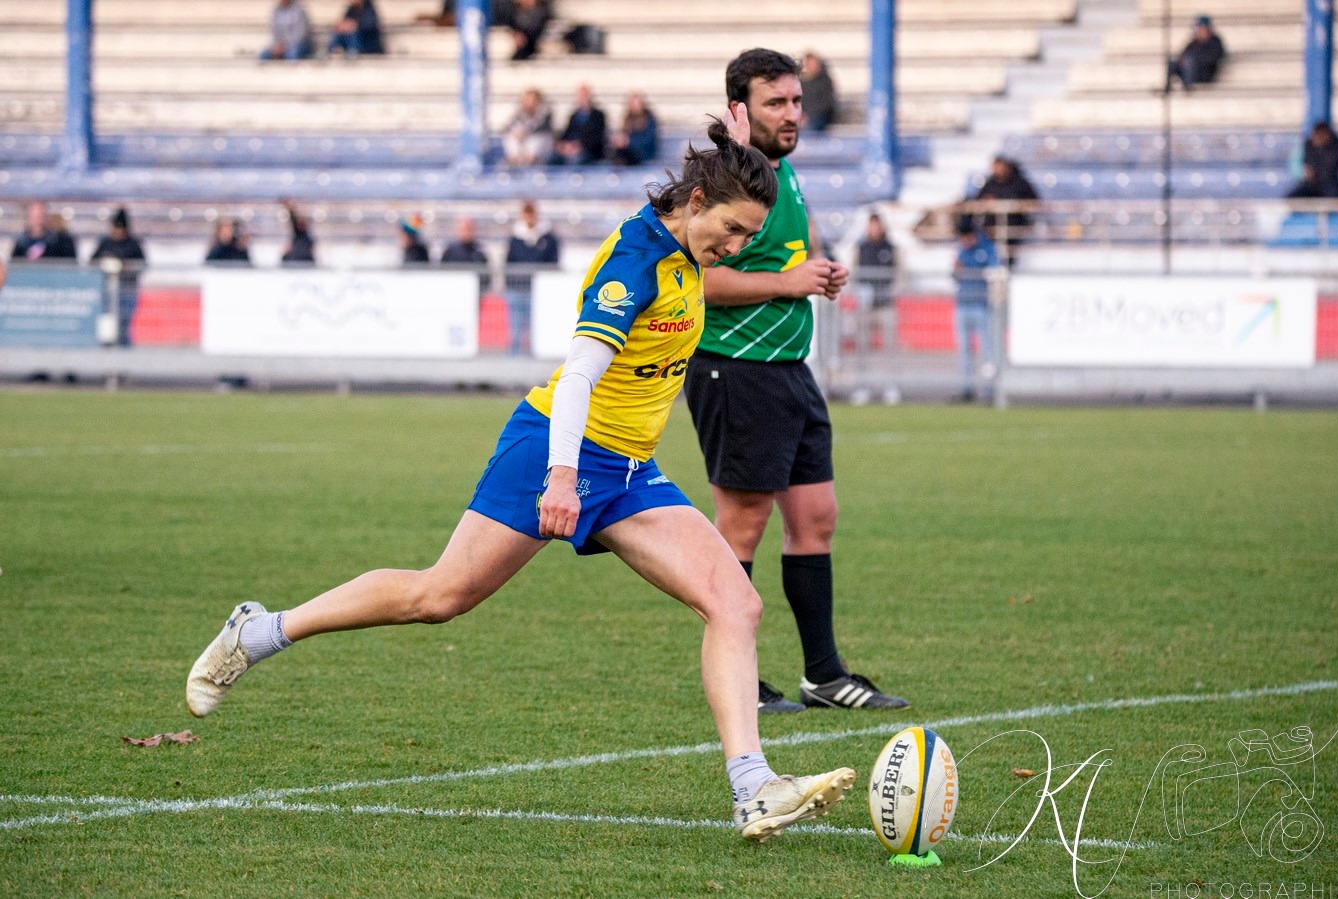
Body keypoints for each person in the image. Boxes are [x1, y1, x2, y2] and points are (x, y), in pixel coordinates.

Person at [185, 116, 856, 843]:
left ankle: (753, 787)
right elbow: (578, 379)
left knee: (736, 603)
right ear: (695, 201)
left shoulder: (691, 230)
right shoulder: (635, 262)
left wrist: (742, 147)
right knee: (438, 595)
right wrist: (562, 477)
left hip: (630, 470)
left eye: (748, 238)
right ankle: (261, 631)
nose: (736, 248)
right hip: (555, 449)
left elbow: (726, 185)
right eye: (730, 230)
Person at [684, 48, 909, 714]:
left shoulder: (782, 172)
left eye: (796, 101)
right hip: (737, 368)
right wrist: (790, 282)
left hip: (789, 367)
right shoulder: (725, 180)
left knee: (816, 518)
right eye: (775, 102)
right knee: (742, 526)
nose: (791, 113)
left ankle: (824, 674)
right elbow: (700, 278)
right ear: (739, 109)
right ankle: (739, 677)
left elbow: (793, 255)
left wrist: (820, 270)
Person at [952, 220, 1000, 403]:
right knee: (964, 350)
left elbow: (994, 270)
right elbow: (955, 274)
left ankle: (988, 389)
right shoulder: (961, 251)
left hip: (981, 306)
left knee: (986, 350)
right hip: (963, 304)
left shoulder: (986, 248)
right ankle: (967, 388)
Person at [503, 199, 558, 355]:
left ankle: (534, 360)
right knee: (515, 331)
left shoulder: (548, 239)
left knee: (538, 330)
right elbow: (509, 262)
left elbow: (552, 262)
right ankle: (514, 363)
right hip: (517, 289)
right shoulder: (515, 238)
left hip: (538, 292)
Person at [90, 207, 147, 346]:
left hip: (126, 291)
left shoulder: (133, 244)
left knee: (123, 326)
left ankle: (124, 360)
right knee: (106, 326)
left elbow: (142, 265)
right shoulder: (105, 243)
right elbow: (92, 261)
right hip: (107, 291)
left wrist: (124, 265)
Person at [973, 155, 1038, 268]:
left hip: (1015, 225)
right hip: (993, 228)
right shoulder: (990, 184)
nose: (996, 170)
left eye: (999, 166)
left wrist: (1017, 204)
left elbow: (1034, 201)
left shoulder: (1020, 183)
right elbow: (977, 201)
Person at [854, 211, 899, 354]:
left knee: (890, 339)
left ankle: (890, 372)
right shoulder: (861, 248)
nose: (875, 229)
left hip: (885, 300)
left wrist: (893, 290)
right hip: (866, 302)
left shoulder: (890, 248)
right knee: (863, 339)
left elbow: (898, 271)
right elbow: (854, 270)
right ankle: (862, 371)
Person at [1286, 122, 1338, 199]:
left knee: (1333, 198)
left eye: (1321, 136)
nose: (1317, 139)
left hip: (1333, 186)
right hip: (1310, 185)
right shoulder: (1306, 146)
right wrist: (1303, 173)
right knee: (1293, 198)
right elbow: (1294, 164)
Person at [551, 84, 608, 166]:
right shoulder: (573, 115)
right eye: (580, 96)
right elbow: (566, 133)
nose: (582, 98)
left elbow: (597, 137)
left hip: (588, 151)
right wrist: (563, 145)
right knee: (552, 159)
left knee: (575, 160)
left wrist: (578, 146)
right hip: (570, 149)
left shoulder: (598, 116)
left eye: (585, 95)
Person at [1166, 15, 1224, 93]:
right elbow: (1183, 55)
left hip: (1205, 73)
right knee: (1172, 63)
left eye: (1202, 28)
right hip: (1190, 71)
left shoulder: (1215, 42)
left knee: (1190, 60)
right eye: (1198, 28)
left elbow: (1215, 57)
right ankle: (1167, 88)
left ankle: (1188, 87)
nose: (1199, 31)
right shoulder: (1193, 43)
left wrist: (1195, 60)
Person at [501, 88, 554, 166]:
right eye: (527, 100)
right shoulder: (519, 113)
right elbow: (507, 127)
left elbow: (542, 128)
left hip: (540, 144)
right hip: (524, 142)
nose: (529, 102)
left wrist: (526, 132)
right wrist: (516, 133)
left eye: (532, 100)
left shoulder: (545, 113)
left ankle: (531, 160)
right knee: (510, 137)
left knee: (537, 139)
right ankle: (514, 160)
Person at [11, 201, 77, 261]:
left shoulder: (61, 241)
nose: (38, 221)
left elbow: (69, 264)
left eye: (41, 216)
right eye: (35, 217)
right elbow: (15, 263)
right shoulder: (21, 243)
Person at [439, 216, 490, 292]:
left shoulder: (479, 251)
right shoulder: (450, 251)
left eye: (469, 229)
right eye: (463, 229)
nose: (466, 232)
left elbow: (486, 275)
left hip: (474, 291)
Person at [609, 92, 660, 167]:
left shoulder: (649, 119)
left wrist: (628, 141)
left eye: (637, 103)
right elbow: (623, 134)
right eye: (633, 103)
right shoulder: (627, 118)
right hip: (629, 152)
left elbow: (648, 140)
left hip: (643, 153)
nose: (635, 106)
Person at [799, 51, 837, 133]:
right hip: (802, 117)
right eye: (808, 64)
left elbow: (827, 103)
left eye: (812, 64)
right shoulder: (800, 82)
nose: (809, 66)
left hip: (819, 116)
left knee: (808, 130)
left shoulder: (825, 81)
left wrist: (808, 115)